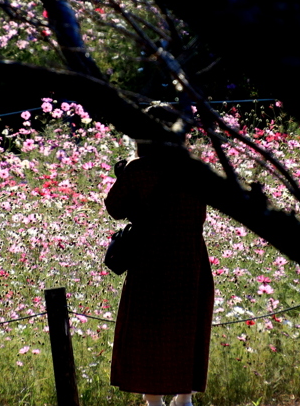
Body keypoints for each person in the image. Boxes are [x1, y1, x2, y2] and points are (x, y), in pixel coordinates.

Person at [105, 140, 214, 406]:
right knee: (186, 325)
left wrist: (126, 174)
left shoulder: (139, 169)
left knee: (148, 327)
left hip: (150, 257)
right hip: (190, 258)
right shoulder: (194, 169)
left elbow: (114, 208)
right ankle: (184, 398)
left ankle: (153, 399)